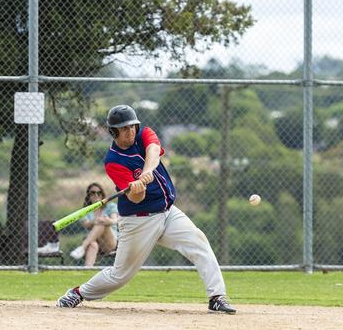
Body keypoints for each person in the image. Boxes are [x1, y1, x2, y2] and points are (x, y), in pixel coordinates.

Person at [57, 105, 236, 314]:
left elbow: (153, 151)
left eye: (132, 126)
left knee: (199, 241)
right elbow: (136, 198)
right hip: (138, 220)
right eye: (124, 129)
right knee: (120, 275)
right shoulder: (113, 161)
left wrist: (146, 172)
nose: (130, 131)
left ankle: (216, 296)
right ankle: (78, 293)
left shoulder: (144, 134)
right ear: (113, 132)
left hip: (168, 212)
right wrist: (137, 189)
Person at [69, 183, 118, 267]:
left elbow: (114, 220)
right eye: (93, 193)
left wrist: (106, 220)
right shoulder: (85, 210)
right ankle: (87, 269)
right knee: (92, 244)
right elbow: (86, 224)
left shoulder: (110, 206)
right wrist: (94, 221)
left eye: (99, 193)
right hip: (94, 241)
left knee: (102, 223)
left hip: (109, 242)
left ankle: (82, 248)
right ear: (88, 195)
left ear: (102, 195)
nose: (96, 195)